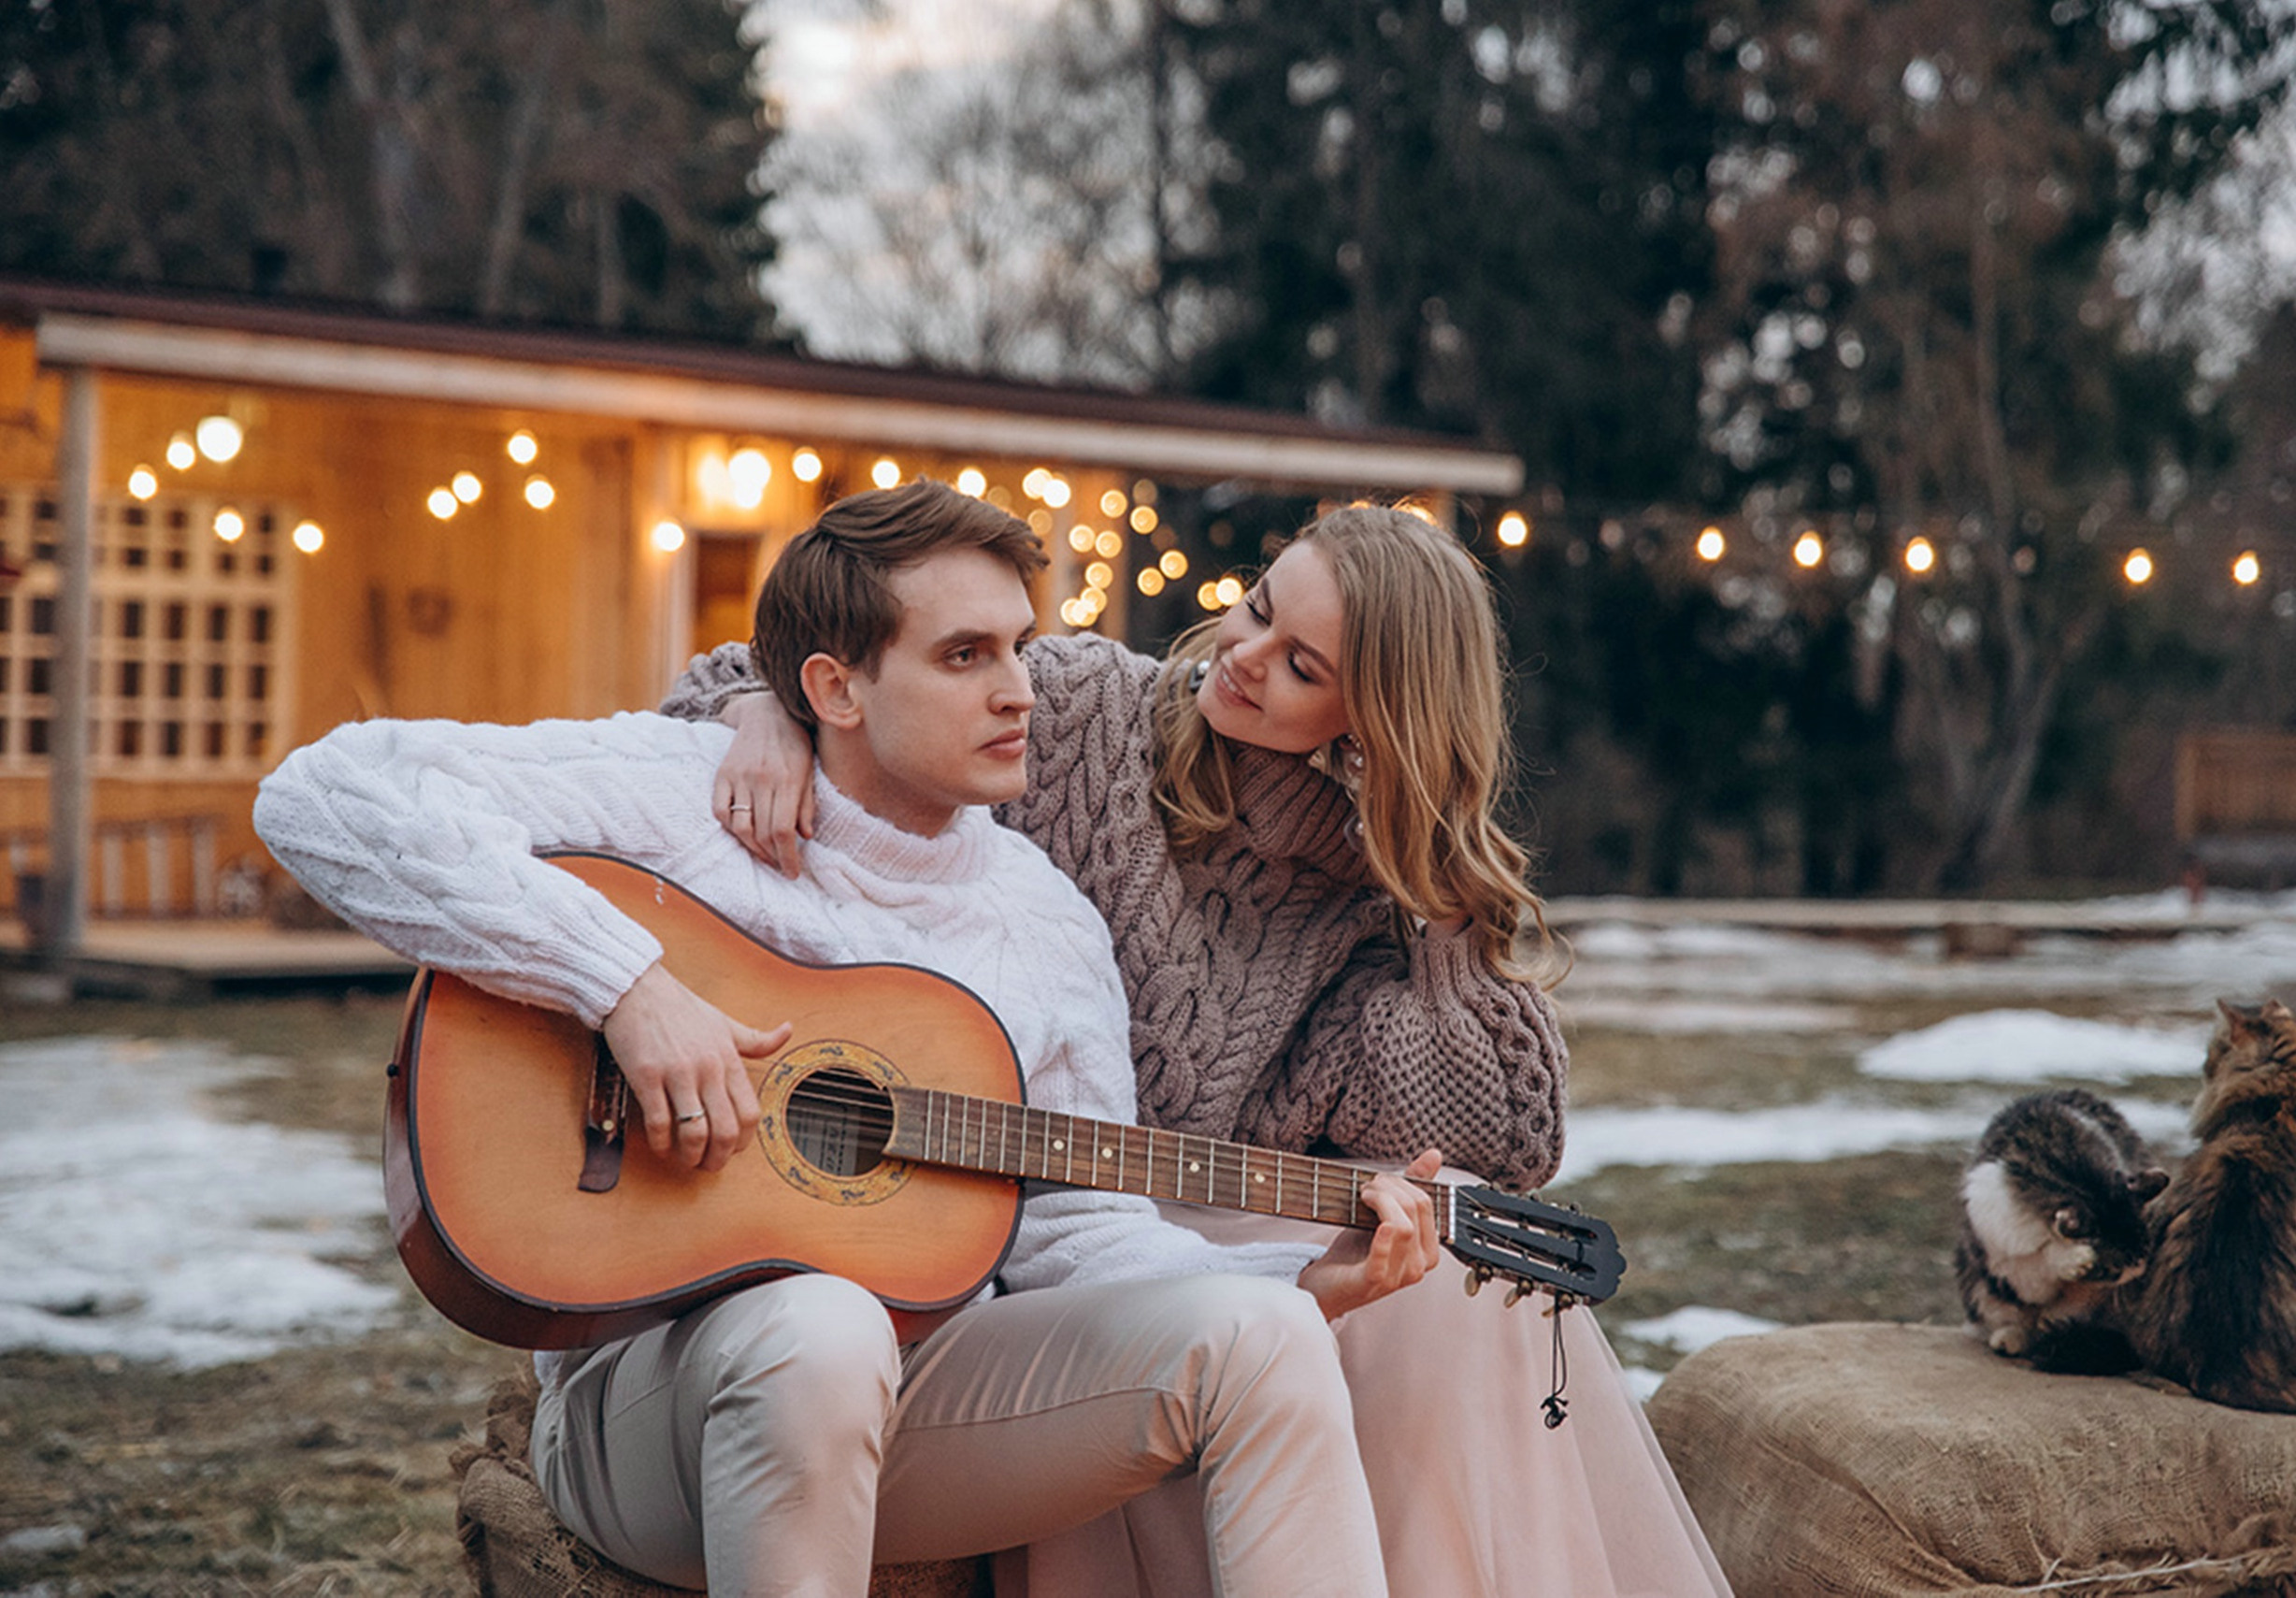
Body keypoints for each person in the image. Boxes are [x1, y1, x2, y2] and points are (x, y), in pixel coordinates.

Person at [252, 481, 1443, 1598]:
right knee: (821, 1319)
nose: (1021, 690)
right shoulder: (680, 792)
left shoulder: (1040, 921)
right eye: (964, 655)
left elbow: (1076, 1224)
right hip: (647, 1403)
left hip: (924, 1397)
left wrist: (1297, 1277)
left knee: (1268, 1335)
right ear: (833, 688)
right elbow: (327, 793)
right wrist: (626, 987)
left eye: (1020, 646)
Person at [666, 500, 1734, 1598]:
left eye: (1301, 663)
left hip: (1171, 1201)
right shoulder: (1076, 702)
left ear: (1375, 716)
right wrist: (757, 714)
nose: (1244, 655)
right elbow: (789, 668)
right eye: (1258, 608)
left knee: (1456, 1257)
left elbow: (1503, 1129)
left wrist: (1446, 895)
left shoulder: (1353, 887)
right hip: (988, 1197)